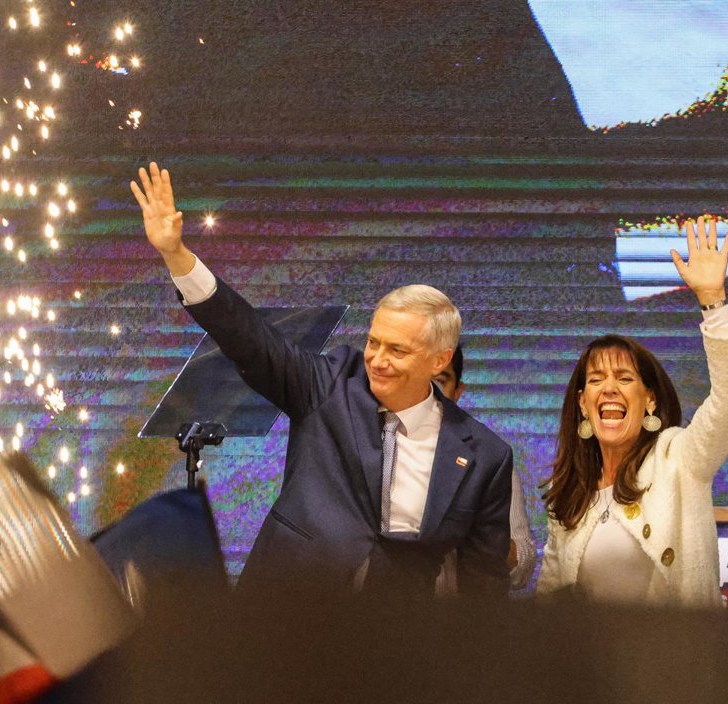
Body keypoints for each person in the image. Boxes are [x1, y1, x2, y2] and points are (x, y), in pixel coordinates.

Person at [130, 163, 513, 598]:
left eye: (397, 350)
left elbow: (484, 585)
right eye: (373, 342)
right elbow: (249, 338)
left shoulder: (485, 455)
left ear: (439, 359)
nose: (378, 360)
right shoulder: (329, 385)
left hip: (395, 632)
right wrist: (177, 255)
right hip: (286, 611)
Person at [537, 218, 728, 606]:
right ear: (583, 403)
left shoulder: (679, 460)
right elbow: (549, 600)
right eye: (596, 380)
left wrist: (713, 301)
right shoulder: (571, 494)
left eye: (624, 378)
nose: (609, 389)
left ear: (650, 400)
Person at [433, 346, 537, 593]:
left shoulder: (488, 459)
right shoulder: (375, 449)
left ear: (458, 391)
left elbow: (524, 563)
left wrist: (480, 532)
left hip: (464, 614)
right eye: (420, 380)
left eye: (439, 381)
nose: (429, 392)